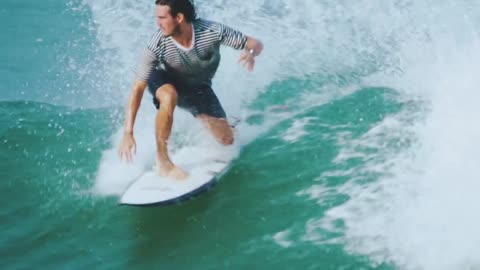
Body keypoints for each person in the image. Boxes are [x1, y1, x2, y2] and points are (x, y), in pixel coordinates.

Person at [118, 0, 264, 180]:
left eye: (162, 17)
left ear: (179, 17)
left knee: (227, 140)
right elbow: (137, 88)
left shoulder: (212, 31)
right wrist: (128, 133)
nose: (158, 22)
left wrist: (250, 54)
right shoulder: (157, 45)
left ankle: (223, 125)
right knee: (169, 95)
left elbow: (255, 44)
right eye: (157, 18)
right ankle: (163, 161)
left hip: (196, 89)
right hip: (165, 80)